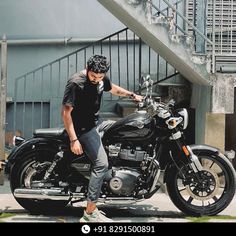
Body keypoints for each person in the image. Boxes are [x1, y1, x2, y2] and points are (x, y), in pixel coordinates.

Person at [61, 55, 143, 222]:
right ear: (87, 68)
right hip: (82, 129)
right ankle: (89, 213)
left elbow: (112, 88)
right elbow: (66, 113)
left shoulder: (101, 79)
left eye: (100, 77)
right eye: (93, 76)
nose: (96, 79)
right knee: (101, 164)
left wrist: (132, 95)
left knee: (121, 129)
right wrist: (74, 139)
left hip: (95, 123)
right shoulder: (76, 83)